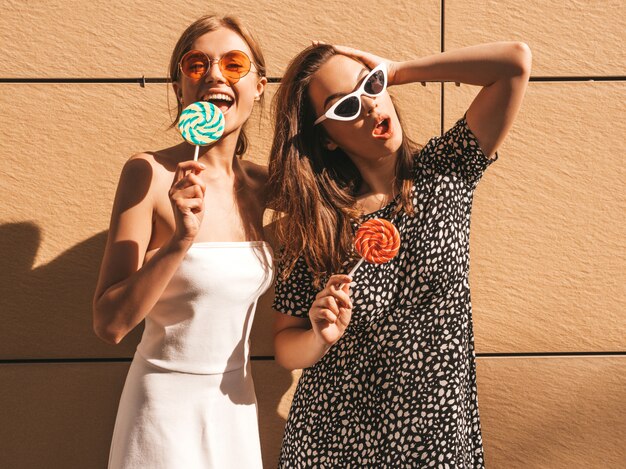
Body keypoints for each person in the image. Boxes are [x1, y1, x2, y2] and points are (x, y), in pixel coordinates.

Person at [268, 41, 531, 467]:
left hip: (436, 430)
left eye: (370, 86)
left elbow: (514, 63)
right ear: (327, 138)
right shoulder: (316, 223)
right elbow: (284, 345)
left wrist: (397, 69)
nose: (370, 108)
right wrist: (318, 335)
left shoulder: (446, 169)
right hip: (333, 437)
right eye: (346, 107)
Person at [92, 14, 272, 469]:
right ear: (179, 88)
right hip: (162, 413)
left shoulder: (265, 186)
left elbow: (351, 200)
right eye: (197, 65)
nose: (215, 75)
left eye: (234, 65)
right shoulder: (148, 174)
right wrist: (179, 242)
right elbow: (109, 323)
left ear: (259, 86)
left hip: (235, 405)